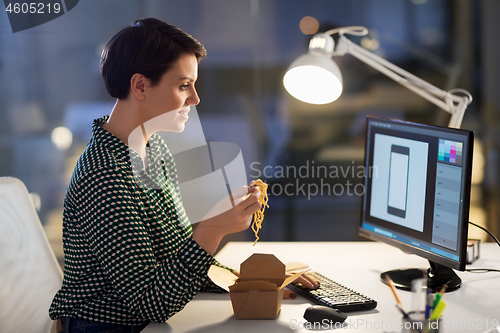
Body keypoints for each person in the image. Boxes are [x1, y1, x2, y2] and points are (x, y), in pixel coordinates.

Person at [49, 18, 318, 333]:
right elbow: (153, 303)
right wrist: (213, 229)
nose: (195, 99)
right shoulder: (104, 176)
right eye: (183, 85)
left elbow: (177, 255)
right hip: (106, 326)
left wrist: (254, 281)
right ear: (140, 86)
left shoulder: (154, 148)